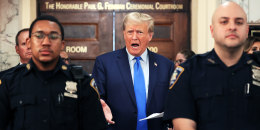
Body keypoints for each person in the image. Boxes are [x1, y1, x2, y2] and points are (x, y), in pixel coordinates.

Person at [164, 1, 260, 130]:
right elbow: (183, 125)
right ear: (212, 30)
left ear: (247, 30)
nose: (232, 27)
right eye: (224, 22)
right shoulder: (188, 72)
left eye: (239, 22)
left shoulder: (257, 67)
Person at [0, 15, 107, 130]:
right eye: (39, 36)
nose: (46, 42)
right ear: (29, 42)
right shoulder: (9, 82)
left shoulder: (82, 82)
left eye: (53, 36)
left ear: (62, 45)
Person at [92, 12, 175, 130]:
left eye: (140, 32)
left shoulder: (166, 66)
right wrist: (101, 108)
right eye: (130, 32)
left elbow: (173, 103)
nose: (134, 37)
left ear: (150, 36)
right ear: (124, 34)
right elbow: (96, 100)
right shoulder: (104, 63)